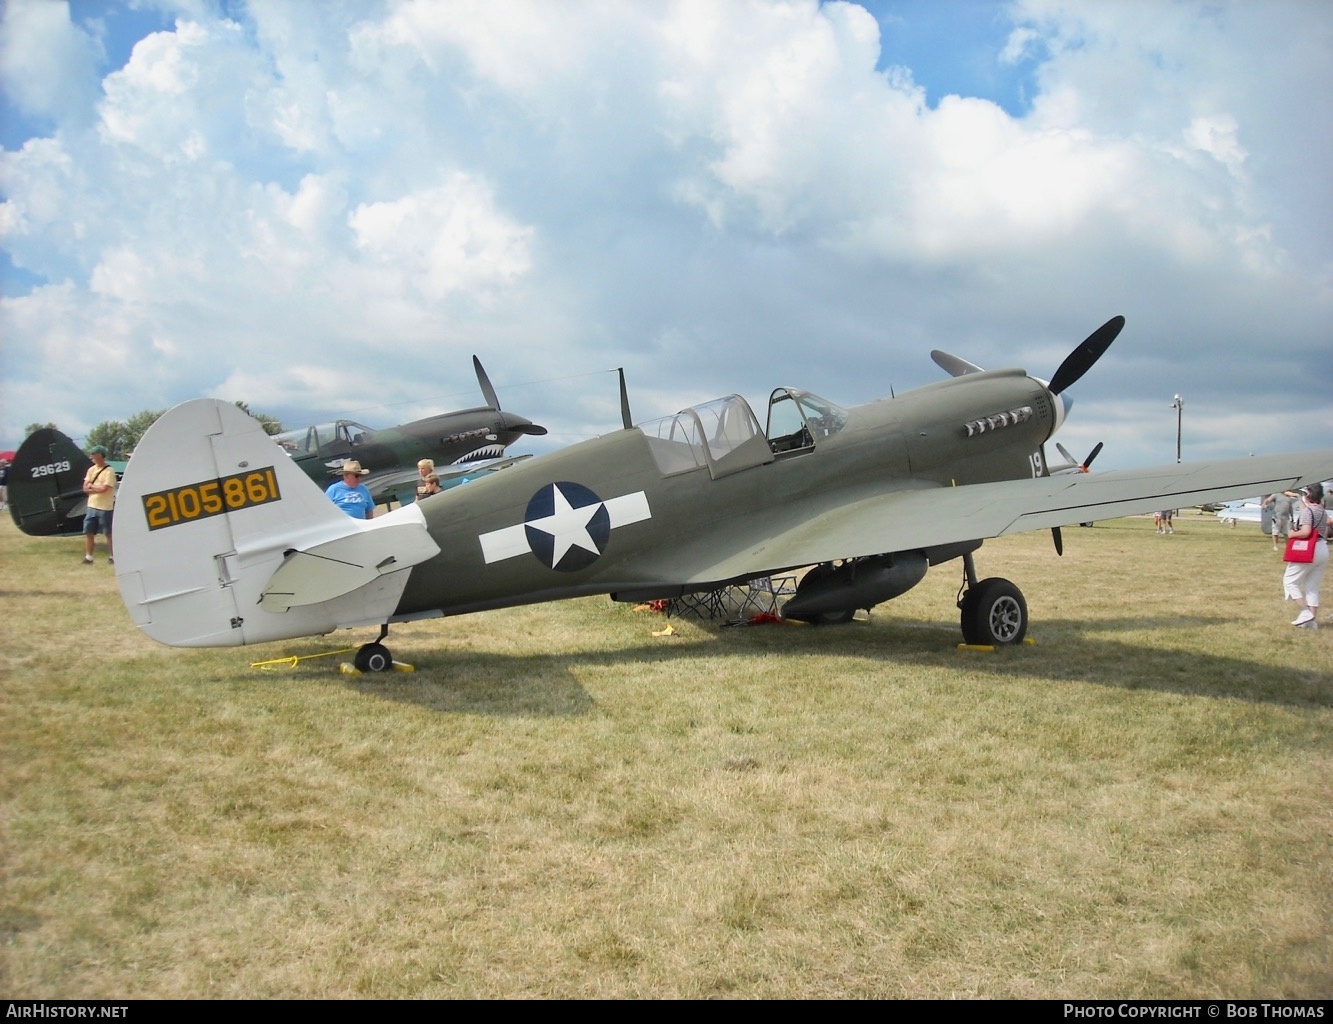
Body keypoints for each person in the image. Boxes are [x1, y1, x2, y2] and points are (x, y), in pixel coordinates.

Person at [1283, 483, 1328, 629]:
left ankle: (1305, 612)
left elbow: (1306, 532)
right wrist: (1297, 497)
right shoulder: (1321, 510)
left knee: (1290, 581)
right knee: (1312, 587)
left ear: (1307, 495)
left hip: (1309, 548)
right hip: (1322, 548)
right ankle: (1312, 621)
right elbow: (1308, 510)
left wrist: (1291, 533)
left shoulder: (1308, 512)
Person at [82, 444, 116, 563]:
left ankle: (112, 557)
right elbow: (85, 488)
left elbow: (105, 489)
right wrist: (94, 487)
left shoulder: (109, 471)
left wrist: (91, 486)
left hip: (105, 507)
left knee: (108, 533)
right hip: (92, 506)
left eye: (94, 454)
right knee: (88, 532)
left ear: (100, 455)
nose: (91, 456)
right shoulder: (91, 470)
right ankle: (88, 557)